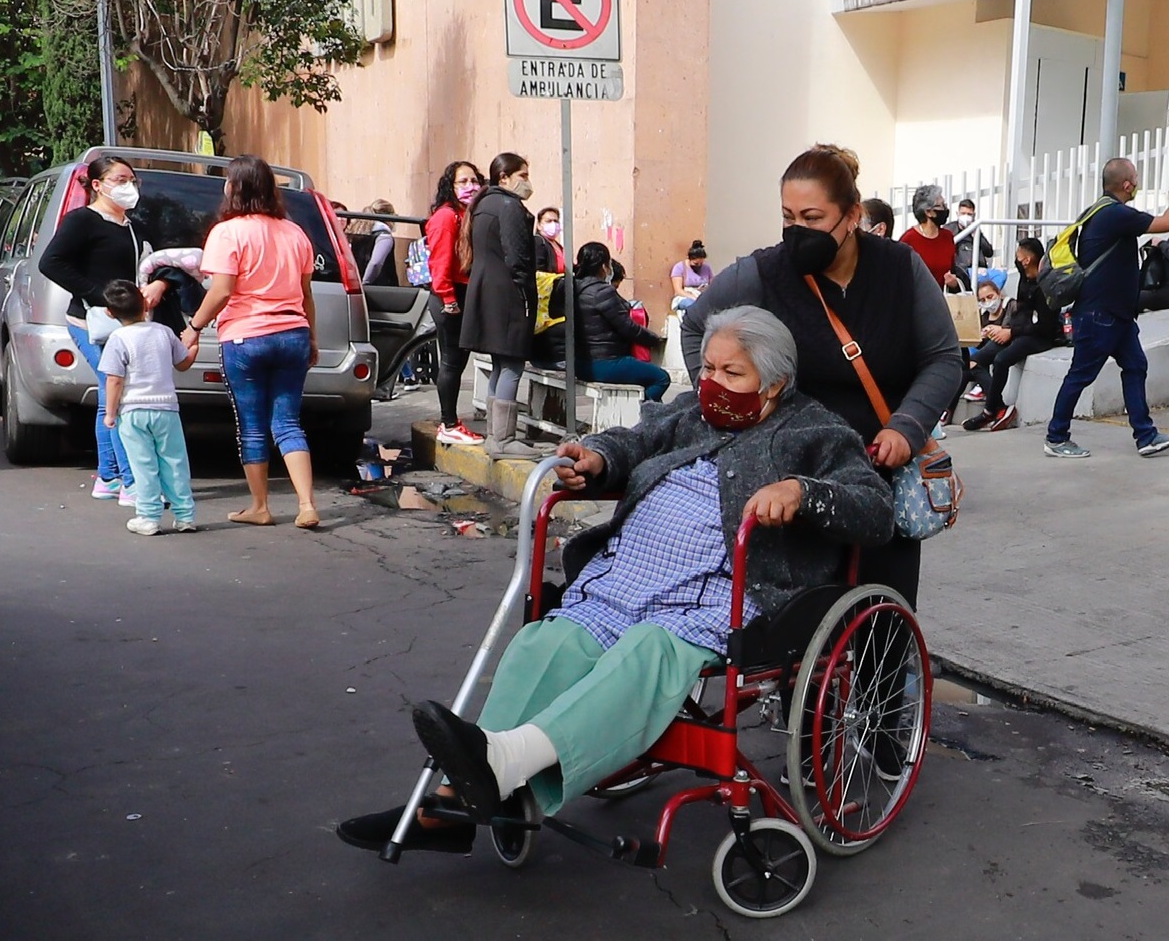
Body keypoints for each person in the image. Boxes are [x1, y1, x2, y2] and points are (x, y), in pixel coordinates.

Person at [336, 307, 894, 852]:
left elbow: (874, 509)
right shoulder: (690, 414)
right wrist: (598, 456)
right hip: (629, 577)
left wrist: (803, 493)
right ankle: (457, 798)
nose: (712, 383)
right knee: (545, 643)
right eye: (707, 369)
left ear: (775, 384)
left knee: (647, 653)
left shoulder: (817, 431)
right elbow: (635, 440)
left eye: (732, 373)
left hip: (722, 592)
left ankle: (496, 770)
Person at [681, 144, 960, 612]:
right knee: (796, 625)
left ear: (852, 216)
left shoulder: (900, 269)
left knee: (880, 619)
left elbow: (944, 358)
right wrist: (725, 402)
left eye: (812, 218)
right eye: (788, 217)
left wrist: (907, 426)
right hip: (790, 476)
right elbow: (696, 328)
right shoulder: (761, 274)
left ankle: (887, 681)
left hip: (876, 475)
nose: (797, 231)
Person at [182, 155, 322, 530]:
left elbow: (222, 290)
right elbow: (306, 293)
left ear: (235, 188)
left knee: (253, 425)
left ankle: (260, 506)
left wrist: (194, 326)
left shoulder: (227, 232)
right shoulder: (295, 232)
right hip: (292, 332)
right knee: (289, 423)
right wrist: (311, 335)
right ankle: (306, 504)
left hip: (245, 337)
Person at [1044, 158, 1169, 459]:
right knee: (1081, 375)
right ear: (1126, 184)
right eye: (1134, 178)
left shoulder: (1103, 212)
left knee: (1135, 367)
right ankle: (1056, 437)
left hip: (1117, 316)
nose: (1136, 183)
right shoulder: (1114, 213)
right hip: (1100, 315)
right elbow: (1168, 223)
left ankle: (1145, 436)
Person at [40, 154, 156, 501]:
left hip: (127, 325)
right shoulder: (82, 221)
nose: (129, 187)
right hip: (91, 322)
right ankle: (131, 483)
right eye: (120, 180)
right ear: (97, 185)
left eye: (132, 180)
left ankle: (109, 477)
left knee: (112, 397)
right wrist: (98, 295)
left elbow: (153, 262)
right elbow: (52, 262)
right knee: (115, 393)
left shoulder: (132, 226)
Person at [460, 152, 547, 461]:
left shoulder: (484, 205)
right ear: (504, 178)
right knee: (511, 363)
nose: (527, 181)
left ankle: (496, 436)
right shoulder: (509, 206)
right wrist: (525, 293)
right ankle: (504, 438)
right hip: (508, 295)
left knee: (500, 364)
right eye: (522, 175)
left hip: (488, 293)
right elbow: (518, 258)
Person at [99, 279, 200, 536]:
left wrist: (110, 413)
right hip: (166, 409)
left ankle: (148, 516)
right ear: (146, 303)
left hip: (132, 412)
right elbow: (183, 363)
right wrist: (194, 346)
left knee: (143, 465)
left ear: (110, 313)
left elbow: (114, 379)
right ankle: (185, 515)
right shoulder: (163, 332)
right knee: (175, 461)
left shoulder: (117, 339)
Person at [961, 238, 1062, 432]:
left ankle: (989, 411)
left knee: (1001, 360)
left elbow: (1044, 326)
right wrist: (1007, 330)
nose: (1016, 259)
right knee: (975, 360)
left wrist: (1011, 332)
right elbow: (1022, 313)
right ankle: (998, 407)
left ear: (1028, 260)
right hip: (1018, 330)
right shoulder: (1025, 277)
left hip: (1039, 336)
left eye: (1019, 256)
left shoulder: (1045, 285)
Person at [426, 160, 484, 446]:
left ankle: (450, 421)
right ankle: (448, 423)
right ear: (450, 185)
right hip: (449, 297)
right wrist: (448, 299)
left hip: (463, 294)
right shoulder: (447, 217)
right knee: (451, 361)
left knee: (458, 362)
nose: (470, 186)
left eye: (474, 180)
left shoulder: (467, 215)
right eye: (463, 181)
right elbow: (440, 262)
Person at [570, 241, 672, 402]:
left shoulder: (572, 288)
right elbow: (627, 327)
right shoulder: (603, 291)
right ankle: (640, 415)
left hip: (579, 363)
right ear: (604, 266)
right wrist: (654, 340)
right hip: (606, 362)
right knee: (661, 378)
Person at [898, 184, 958, 288]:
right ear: (928, 212)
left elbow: (952, 269)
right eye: (941, 205)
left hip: (942, 299)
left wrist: (954, 283)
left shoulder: (947, 236)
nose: (945, 209)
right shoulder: (908, 239)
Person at [346, 200, 399, 287]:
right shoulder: (384, 236)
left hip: (357, 284)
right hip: (379, 288)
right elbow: (376, 263)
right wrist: (365, 283)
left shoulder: (358, 233)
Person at [952, 198, 994, 285]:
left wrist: (976, 236)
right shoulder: (950, 229)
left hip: (979, 271)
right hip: (960, 272)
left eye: (969, 214)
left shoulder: (976, 229)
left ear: (974, 215)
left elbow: (989, 252)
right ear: (957, 214)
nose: (966, 216)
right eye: (963, 213)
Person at [670, 241, 712, 313]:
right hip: (685, 297)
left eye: (701, 263)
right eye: (696, 263)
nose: (698, 266)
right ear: (689, 259)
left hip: (702, 296)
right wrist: (693, 297)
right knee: (693, 305)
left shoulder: (706, 268)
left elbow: (712, 285)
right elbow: (678, 290)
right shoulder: (680, 267)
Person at [533, 207, 566, 274]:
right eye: (549, 221)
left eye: (556, 221)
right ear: (539, 225)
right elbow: (539, 270)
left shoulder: (557, 245)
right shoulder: (538, 242)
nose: (553, 224)